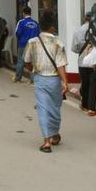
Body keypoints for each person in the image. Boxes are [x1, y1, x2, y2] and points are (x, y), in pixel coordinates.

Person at [23, 10, 68, 153]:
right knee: (55, 108)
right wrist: (65, 82)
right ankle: (54, 134)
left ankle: (47, 141)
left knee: (43, 109)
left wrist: (32, 70)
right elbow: (61, 65)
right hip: (55, 80)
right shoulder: (58, 43)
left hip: (40, 79)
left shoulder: (32, 42)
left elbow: (27, 62)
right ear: (52, 27)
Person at [71, 11, 96, 116]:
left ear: (84, 18)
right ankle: (91, 108)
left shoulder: (78, 31)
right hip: (94, 62)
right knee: (93, 84)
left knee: (85, 83)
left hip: (82, 61)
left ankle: (84, 105)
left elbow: (74, 48)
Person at [13, 6, 39, 83]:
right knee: (32, 62)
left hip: (23, 44)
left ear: (23, 13)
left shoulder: (21, 22)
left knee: (21, 61)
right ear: (30, 13)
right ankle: (33, 79)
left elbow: (17, 33)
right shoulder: (36, 23)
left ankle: (18, 78)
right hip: (34, 45)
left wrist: (21, 39)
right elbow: (38, 34)